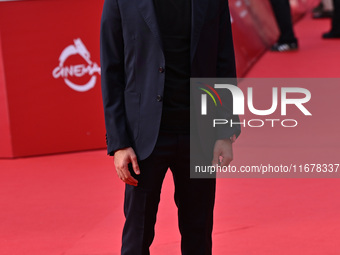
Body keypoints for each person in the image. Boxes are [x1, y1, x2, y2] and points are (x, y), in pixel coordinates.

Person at [100, 0, 240, 254]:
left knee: (198, 234)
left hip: (200, 135)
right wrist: (119, 143)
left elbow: (224, 62)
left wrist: (225, 132)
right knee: (137, 237)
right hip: (143, 138)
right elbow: (111, 70)